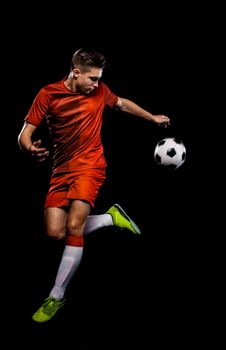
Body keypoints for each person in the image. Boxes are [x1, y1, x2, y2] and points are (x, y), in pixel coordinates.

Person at [18, 47, 170, 323]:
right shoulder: (48, 94)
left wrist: (151, 117)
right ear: (76, 73)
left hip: (91, 166)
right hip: (60, 171)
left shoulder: (100, 92)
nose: (97, 85)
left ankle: (56, 295)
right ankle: (110, 218)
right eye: (93, 79)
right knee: (55, 232)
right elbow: (24, 134)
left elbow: (121, 103)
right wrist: (29, 148)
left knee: (74, 226)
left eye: (99, 79)